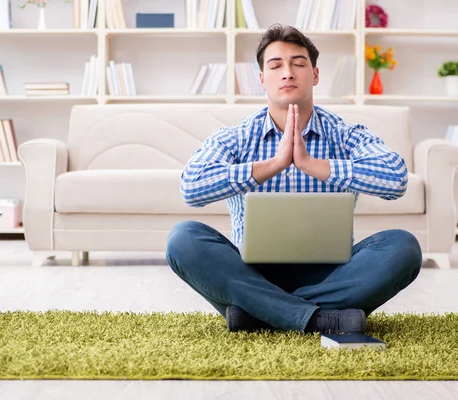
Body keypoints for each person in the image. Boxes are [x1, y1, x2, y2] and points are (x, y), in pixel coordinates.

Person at [165, 24, 422, 334]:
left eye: (298, 63)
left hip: (334, 277)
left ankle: (260, 315)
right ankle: (319, 318)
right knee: (183, 239)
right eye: (276, 66)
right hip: (251, 275)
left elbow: (396, 179)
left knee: (403, 247)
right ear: (262, 79)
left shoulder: (345, 135)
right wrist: (272, 165)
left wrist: (315, 165)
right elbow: (191, 187)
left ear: (314, 74)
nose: (287, 72)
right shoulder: (235, 138)